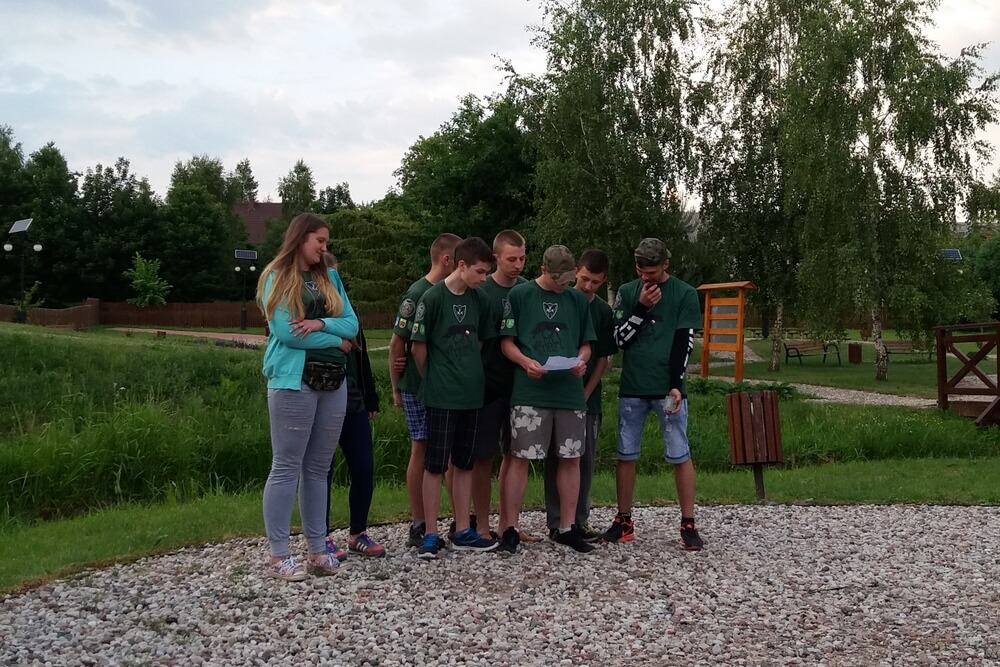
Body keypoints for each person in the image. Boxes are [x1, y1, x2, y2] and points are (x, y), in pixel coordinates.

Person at [256, 213, 359, 580]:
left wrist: (320, 323)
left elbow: (352, 324)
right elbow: (287, 333)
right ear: (300, 239)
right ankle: (279, 554)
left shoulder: (329, 276)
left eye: (326, 241)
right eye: (320, 241)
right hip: (293, 381)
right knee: (286, 465)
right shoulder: (276, 277)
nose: (324, 247)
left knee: (318, 467)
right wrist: (336, 341)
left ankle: (317, 549)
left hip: (333, 381)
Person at [603, 238, 704, 551]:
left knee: (679, 451)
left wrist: (676, 383)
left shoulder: (684, 293)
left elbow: (685, 341)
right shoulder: (627, 291)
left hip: (667, 388)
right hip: (633, 386)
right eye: (641, 271)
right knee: (625, 453)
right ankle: (624, 520)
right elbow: (620, 340)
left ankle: (688, 523)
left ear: (666, 265)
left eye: (653, 272)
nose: (647, 277)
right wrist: (641, 308)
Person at [497, 245, 596, 555]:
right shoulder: (520, 295)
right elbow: (506, 343)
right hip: (530, 392)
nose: (563, 285)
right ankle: (510, 527)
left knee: (571, 457)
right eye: (557, 279)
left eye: (568, 279)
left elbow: (587, 344)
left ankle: (567, 527)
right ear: (543, 270)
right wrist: (526, 362)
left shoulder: (577, 300)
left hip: (569, 392)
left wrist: (581, 360)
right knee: (520, 457)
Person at [410, 237, 498, 558]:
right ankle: (431, 534)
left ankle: (462, 529)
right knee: (435, 464)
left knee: (464, 463)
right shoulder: (432, 298)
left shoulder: (480, 299)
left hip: (471, 394)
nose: (483, 278)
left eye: (486, 272)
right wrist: (435, 378)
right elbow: (418, 347)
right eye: (479, 272)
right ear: (461, 265)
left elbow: (480, 341)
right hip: (441, 395)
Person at [388, 233, 461, 548]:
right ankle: (418, 522)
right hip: (418, 387)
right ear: (447, 260)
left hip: (446, 387)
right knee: (421, 446)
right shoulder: (418, 293)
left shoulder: (453, 293)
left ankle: (458, 519)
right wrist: (396, 388)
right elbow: (397, 343)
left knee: (449, 451)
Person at [543, 249, 616, 542]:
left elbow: (603, 358)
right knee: (556, 458)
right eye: (584, 279)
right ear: (576, 272)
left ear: (603, 281)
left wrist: (586, 393)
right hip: (556, 392)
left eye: (595, 282)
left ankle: (579, 520)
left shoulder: (602, 311)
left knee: (583, 459)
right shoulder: (561, 299)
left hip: (586, 397)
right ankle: (556, 519)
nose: (587, 286)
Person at [321, 253, 386, 560]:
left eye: (337, 277)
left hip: (353, 397)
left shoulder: (348, 310)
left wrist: (370, 397)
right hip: (320, 394)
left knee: (363, 466)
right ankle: (320, 535)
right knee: (322, 469)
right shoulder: (308, 309)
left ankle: (358, 532)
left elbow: (361, 356)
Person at [471, 230, 531, 542]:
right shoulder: (482, 291)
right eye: (511, 259)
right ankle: (481, 523)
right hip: (488, 384)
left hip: (522, 385)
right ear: (496, 258)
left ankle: (510, 524)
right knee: (483, 456)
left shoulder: (528, 289)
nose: (518, 264)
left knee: (517, 454)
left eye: (522, 258)